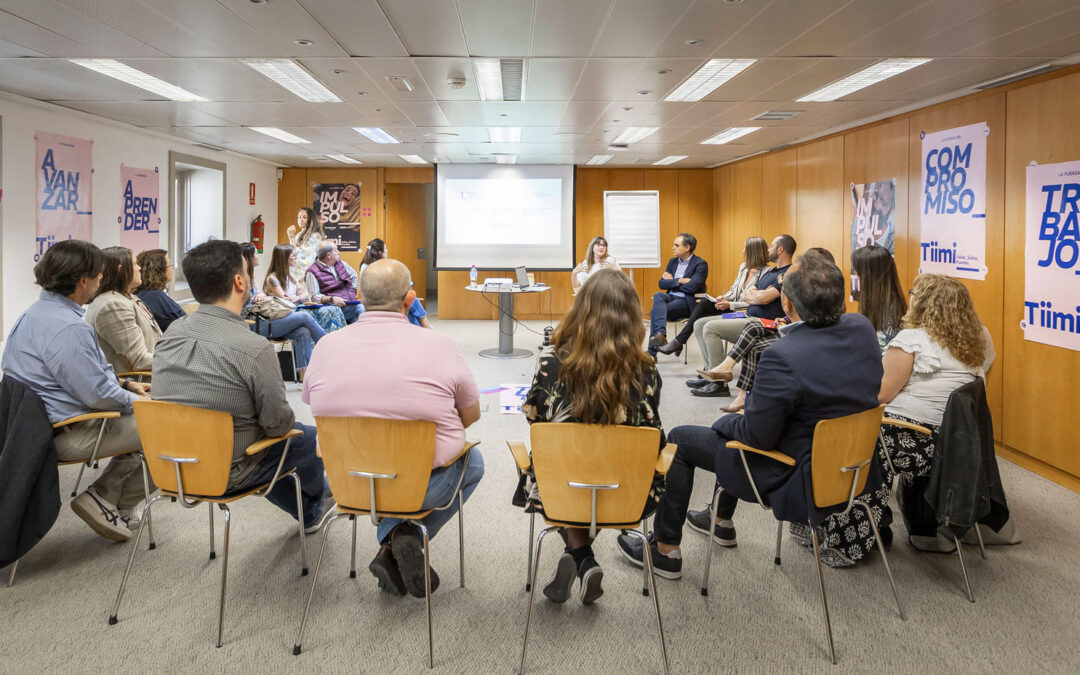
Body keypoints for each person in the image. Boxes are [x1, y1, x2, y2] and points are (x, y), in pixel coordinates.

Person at [616, 255, 883, 580]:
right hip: (851, 466)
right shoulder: (862, 329)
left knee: (684, 440)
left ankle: (665, 551)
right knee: (745, 429)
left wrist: (729, 421)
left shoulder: (782, 357)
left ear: (787, 304)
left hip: (793, 473)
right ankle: (719, 520)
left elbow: (755, 437)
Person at [303, 259, 484, 599]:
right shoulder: (439, 345)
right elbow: (470, 415)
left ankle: (391, 544)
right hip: (419, 485)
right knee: (473, 463)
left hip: (347, 484)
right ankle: (407, 538)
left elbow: (313, 405)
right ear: (409, 299)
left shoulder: (325, 346)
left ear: (358, 295)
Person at [810, 273, 999, 564]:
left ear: (923, 302)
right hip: (949, 446)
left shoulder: (914, 340)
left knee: (849, 439)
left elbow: (879, 394)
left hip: (912, 438)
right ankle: (875, 522)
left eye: (914, 293)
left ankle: (854, 536)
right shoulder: (970, 344)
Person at [152, 240, 335, 532]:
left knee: (263, 439)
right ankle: (313, 508)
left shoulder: (172, 333)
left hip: (169, 465)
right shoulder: (253, 348)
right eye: (247, 270)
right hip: (229, 471)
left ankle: (311, 503)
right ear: (239, 281)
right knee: (310, 437)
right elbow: (279, 425)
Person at [519, 268, 666, 605]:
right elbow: (652, 428)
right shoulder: (646, 368)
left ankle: (581, 556)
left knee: (557, 468)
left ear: (580, 309)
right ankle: (582, 556)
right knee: (602, 476)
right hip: (627, 487)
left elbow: (535, 421)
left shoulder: (550, 361)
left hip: (562, 484)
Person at [2, 240, 153, 541]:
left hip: (34, 431)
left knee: (149, 417)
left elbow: (74, 376)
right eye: (98, 275)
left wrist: (124, 384)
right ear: (83, 280)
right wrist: (142, 401)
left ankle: (108, 501)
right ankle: (105, 499)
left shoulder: (34, 314)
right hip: (68, 432)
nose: (100, 281)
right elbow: (98, 396)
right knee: (171, 426)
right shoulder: (69, 328)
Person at [696, 247, 836, 412]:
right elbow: (748, 295)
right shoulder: (777, 275)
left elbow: (770, 301)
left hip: (803, 334)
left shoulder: (817, 289)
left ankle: (729, 375)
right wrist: (783, 319)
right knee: (752, 332)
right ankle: (736, 385)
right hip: (776, 322)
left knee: (751, 338)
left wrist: (782, 319)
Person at [695, 234, 795, 389]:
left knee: (711, 328)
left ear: (780, 250)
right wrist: (757, 295)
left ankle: (718, 384)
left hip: (763, 322)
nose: (767, 250)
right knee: (699, 324)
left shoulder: (787, 274)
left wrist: (757, 295)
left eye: (771, 247)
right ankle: (710, 372)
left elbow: (763, 298)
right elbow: (747, 295)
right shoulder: (771, 273)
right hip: (747, 314)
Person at [665, 236, 769, 384]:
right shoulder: (743, 267)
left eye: (745, 248)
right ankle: (709, 371)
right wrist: (723, 298)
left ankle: (681, 341)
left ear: (753, 251)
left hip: (744, 313)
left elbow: (754, 302)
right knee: (704, 308)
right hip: (732, 308)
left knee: (705, 321)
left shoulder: (766, 273)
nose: (742, 250)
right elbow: (734, 290)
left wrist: (730, 305)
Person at [240, 243, 326, 381]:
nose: (258, 256)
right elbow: (244, 307)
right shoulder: (246, 279)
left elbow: (305, 295)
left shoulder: (253, 278)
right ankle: (328, 344)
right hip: (256, 324)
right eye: (256, 253)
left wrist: (262, 294)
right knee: (304, 316)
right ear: (249, 258)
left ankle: (305, 374)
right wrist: (260, 298)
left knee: (303, 331)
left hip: (269, 320)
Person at [85, 246, 162, 374]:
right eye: (135, 264)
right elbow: (139, 361)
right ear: (121, 270)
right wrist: (178, 362)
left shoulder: (126, 297)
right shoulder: (112, 305)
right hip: (139, 383)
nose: (140, 268)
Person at [646, 233, 708, 357]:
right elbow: (662, 284)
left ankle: (652, 351)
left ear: (687, 247)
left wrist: (672, 281)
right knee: (658, 295)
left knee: (655, 311)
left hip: (686, 301)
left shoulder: (700, 264)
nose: (673, 248)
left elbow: (693, 287)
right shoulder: (673, 262)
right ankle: (661, 335)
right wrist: (679, 280)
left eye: (676, 245)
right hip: (670, 297)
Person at [264, 244, 347, 334]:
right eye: (293, 255)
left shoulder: (289, 275)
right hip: (285, 313)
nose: (296, 257)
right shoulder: (272, 279)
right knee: (324, 312)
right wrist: (299, 297)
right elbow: (287, 300)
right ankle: (324, 339)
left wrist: (299, 297)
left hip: (296, 308)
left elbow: (307, 295)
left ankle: (338, 338)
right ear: (284, 258)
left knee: (334, 309)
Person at [359, 238, 430, 328]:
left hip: (381, 297)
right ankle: (426, 328)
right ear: (381, 253)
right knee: (412, 301)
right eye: (385, 248)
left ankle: (419, 327)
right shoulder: (378, 267)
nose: (387, 250)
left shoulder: (366, 266)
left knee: (410, 306)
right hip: (382, 299)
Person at [851, 244, 907, 349]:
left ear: (868, 275)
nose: (856, 275)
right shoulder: (877, 302)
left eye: (858, 271)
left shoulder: (889, 313)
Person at [305, 242, 362, 324]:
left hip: (349, 303)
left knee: (361, 314)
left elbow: (353, 275)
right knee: (360, 309)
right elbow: (314, 296)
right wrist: (332, 299)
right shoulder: (311, 272)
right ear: (328, 255)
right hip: (332, 308)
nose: (338, 252)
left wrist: (353, 290)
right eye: (336, 250)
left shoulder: (340, 263)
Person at [134, 249, 185, 332]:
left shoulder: (140, 294)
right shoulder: (156, 297)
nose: (172, 269)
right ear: (159, 271)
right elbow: (184, 325)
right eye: (170, 265)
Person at [287, 206, 325, 283]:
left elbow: (300, 257)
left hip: (306, 276)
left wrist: (291, 237)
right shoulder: (299, 235)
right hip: (295, 276)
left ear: (310, 220)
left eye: (304, 217)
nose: (301, 220)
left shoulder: (315, 236)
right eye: (299, 217)